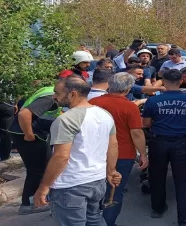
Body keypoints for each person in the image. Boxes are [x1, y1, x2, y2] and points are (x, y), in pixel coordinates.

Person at [34, 76, 121, 226]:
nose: (54, 96)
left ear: (72, 94)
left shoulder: (65, 120)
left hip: (71, 186)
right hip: (97, 182)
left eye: (57, 92)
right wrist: (111, 171)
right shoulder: (104, 115)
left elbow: (61, 157)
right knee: (95, 220)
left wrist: (44, 187)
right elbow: (113, 145)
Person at [142, 69, 186, 226]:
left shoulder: (152, 101)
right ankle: (184, 217)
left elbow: (146, 124)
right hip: (182, 142)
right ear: (181, 81)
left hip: (158, 142)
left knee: (156, 176)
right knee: (183, 180)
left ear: (163, 81)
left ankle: (157, 209)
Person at [90, 73, 148, 226]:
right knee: (114, 191)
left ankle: (93, 221)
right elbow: (136, 132)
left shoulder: (93, 103)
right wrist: (143, 154)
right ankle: (108, 223)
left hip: (95, 153)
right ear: (128, 89)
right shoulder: (130, 106)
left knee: (94, 190)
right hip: (122, 155)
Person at [8, 85, 62, 215]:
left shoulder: (51, 91)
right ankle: (28, 204)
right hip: (29, 136)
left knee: (41, 168)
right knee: (37, 170)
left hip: (31, 133)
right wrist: (29, 134)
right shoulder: (50, 98)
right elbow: (24, 113)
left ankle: (37, 200)